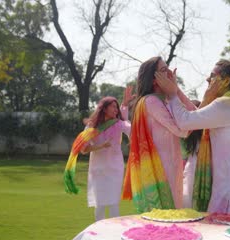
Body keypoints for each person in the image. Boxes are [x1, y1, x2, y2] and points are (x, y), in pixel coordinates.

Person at [156, 59, 230, 213]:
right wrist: (175, 89)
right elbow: (196, 113)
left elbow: (185, 121)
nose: (207, 79)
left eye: (212, 76)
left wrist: (172, 94)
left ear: (226, 81)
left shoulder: (226, 104)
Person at [121, 56, 196, 213]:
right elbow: (183, 129)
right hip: (161, 170)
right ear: (154, 79)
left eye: (168, 69)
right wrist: (174, 92)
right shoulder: (151, 102)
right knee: (166, 220)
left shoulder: (161, 101)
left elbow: (194, 117)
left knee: (169, 219)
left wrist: (176, 91)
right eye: (163, 70)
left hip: (169, 167)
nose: (169, 73)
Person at [79, 88, 133, 221]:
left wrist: (125, 105)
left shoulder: (118, 124)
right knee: (100, 204)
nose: (116, 110)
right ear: (104, 109)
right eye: (113, 107)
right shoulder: (92, 127)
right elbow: (83, 149)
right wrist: (100, 147)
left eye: (117, 107)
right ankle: (100, 233)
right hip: (98, 169)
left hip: (115, 168)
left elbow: (132, 130)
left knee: (114, 202)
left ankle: (114, 232)